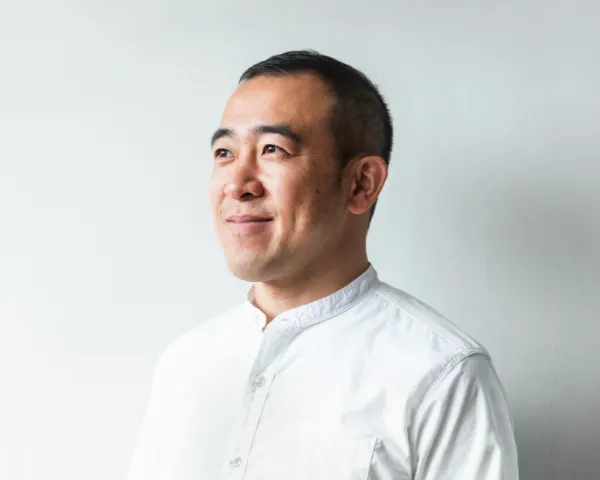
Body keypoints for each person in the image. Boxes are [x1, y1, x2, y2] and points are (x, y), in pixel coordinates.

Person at [127, 50, 519, 480]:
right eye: (224, 153)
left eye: (273, 149)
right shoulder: (185, 362)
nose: (237, 185)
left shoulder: (440, 373)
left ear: (361, 184)